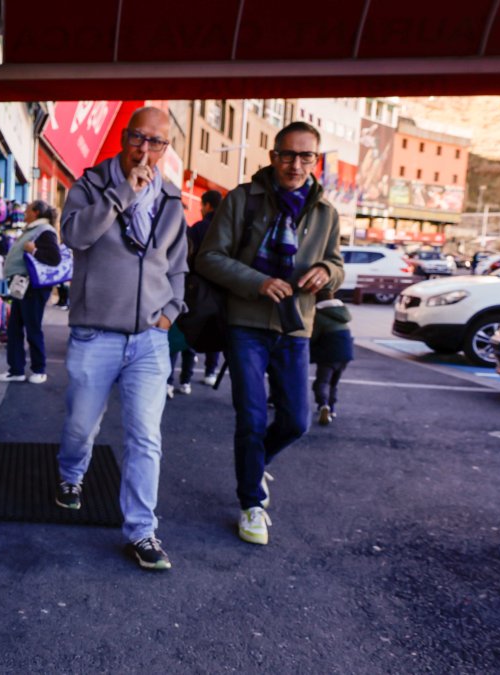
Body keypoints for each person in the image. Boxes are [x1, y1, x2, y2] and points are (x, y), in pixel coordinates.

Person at [196, 121, 344, 546]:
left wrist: (326, 271)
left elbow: (336, 263)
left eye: (305, 157)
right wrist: (256, 281)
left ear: (315, 161)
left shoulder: (325, 212)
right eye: (287, 155)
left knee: (297, 421)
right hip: (246, 324)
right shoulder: (243, 199)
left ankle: (255, 462)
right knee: (252, 417)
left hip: (296, 326)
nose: (295, 165)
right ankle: (250, 503)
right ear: (272, 155)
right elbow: (209, 258)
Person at [55, 107, 187, 571]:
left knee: (145, 436)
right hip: (95, 333)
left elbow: (177, 267)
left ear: (165, 148)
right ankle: (72, 475)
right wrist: (119, 196)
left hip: (149, 339)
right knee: (80, 425)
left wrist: (170, 314)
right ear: (124, 137)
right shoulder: (91, 184)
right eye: (139, 138)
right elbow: (74, 235)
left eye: (157, 143)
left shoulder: (172, 199)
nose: (146, 150)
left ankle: (142, 531)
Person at [0, 201, 62, 384]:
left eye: (27, 210)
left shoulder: (44, 231)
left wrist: (34, 250)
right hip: (23, 286)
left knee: (32, 328)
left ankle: (39, 369)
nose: (24, 213)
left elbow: (54, 258)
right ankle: (16, 370)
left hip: (33, 287)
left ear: (35, 212)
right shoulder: (33, 230)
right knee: (14, 328)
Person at [167, 189, 224, 397]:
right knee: (212, 330)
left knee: (182, 330)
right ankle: (207, 372)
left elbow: (185, 254)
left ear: (208, 205)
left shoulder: (198, 228)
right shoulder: (226, 228)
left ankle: (170, 381)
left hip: (193, 287)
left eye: (202, 204)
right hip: (218, 289)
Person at [311, 288, 354, 426]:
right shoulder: (341, 313)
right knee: (333, 383)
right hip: (346, 354)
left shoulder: (319, 315)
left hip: (329, 354)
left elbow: (312, 337)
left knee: (321, 382)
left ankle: (323, 405)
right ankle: (332, 408)